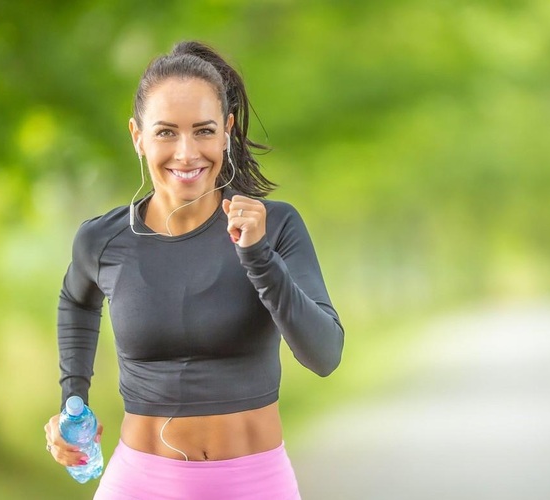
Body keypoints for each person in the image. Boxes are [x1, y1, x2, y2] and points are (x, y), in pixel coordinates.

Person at [42, 40, 344, 499]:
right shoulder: (102, 240)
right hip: (139, 484)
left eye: (203, 131)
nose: (186, 153)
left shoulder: (275, 226)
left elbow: (324, 355)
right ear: (137, 136)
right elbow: (76, 300)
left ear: (225, 132)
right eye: (166, 132)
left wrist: (259, 257)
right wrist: (72, 400)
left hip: (253, 484)